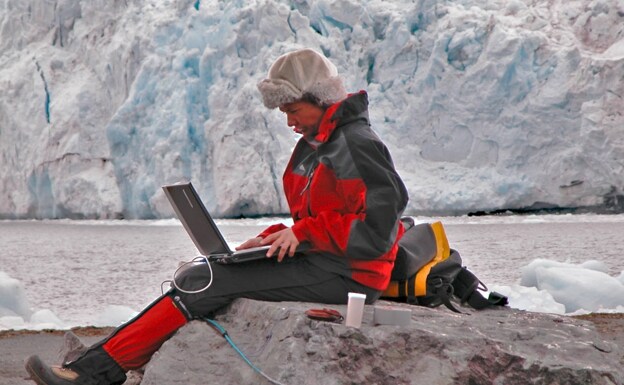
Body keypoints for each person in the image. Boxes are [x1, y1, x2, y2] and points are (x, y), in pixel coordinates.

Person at [25, 48, 409, 385]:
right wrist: (275, 236)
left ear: (320, 98)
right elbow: (328, 216)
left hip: (352, 274)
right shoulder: (319, 143)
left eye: (293, 110)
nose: (289, 121)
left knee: (205, 284)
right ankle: (92, 365)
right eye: (284, 112)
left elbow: (378, 231)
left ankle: (92, 375)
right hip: (327, 260)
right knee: (199, 274)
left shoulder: (358, 144)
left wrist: (305, 233)